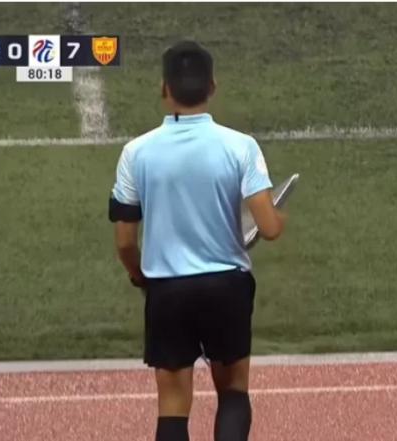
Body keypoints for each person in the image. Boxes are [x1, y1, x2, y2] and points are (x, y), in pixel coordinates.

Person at [108, 40, 286, 441]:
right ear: (213, 86)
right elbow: (269, 227)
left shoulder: (135, 153)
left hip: (167, 291)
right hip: (227, 288)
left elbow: (124, 242)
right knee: (233, 392)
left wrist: (140, 277)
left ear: (164, 88)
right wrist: (279, 217)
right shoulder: (241, 146)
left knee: (172, 406)